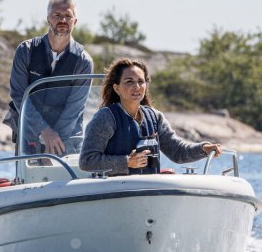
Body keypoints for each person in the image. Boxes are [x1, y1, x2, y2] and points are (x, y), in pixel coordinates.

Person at [79, 58, 222, 176]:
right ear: (116, 88)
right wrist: (126, 162)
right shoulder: (105, 118)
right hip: (114, 193)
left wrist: (204, 149)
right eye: (129, 81)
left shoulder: (155, 117)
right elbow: (87, 161)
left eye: (141, 81)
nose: (136, 86)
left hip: (148, 192)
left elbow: (177, 152)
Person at [3, 0, 93, 156]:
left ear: (75, 21)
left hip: (67, 141)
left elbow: (74, 109)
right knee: (27, 179)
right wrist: (44, 131)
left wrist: (53, 143)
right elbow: (19, 96)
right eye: (57, 15)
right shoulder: (26, 51)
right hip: (29, 137)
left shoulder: (83, 61)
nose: (63, 20)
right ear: (48, 19)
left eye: (68, 16)